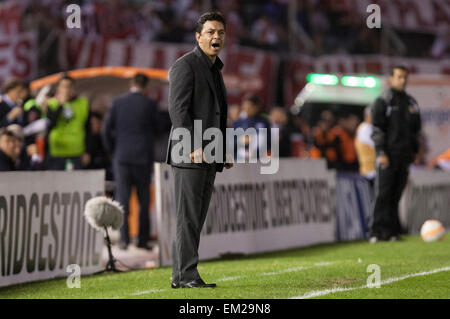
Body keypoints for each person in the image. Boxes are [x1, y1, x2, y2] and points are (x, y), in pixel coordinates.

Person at [165, 11, 233, 289]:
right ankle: (186, 276)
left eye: (220, 32)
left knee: (195, 218)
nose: (216, 37)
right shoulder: (186, 65)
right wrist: (192, 146)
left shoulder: (214, 69)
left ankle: (182, 275)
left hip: (209, 153)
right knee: (188, 218)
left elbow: (216, 114)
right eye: (210, 32)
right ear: (198, 37)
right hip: (189, 154)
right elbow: (178, 111)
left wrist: (222, 149)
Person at [102, 73, 159, 251]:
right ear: (146, 86)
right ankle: (142, 239)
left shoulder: (117, 102)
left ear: (130, 84)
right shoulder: (149, 104)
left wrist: (113, 151)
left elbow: (105, 130)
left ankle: (124, 239)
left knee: (123, 200)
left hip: (122, 158)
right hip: (143, 158)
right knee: (144, 200)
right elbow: (158, 128)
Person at [369, 65, 421, 243]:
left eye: (405, 77)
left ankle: (391, 231)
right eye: (399, 77)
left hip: (403, 156)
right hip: (388, 155)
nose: (402, 80)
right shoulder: (383, 100)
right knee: (383, 193)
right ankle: (376, 231)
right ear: (391, 78)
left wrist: (415, 151)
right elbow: (377, 129)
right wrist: (381, 152)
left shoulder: (411, 103)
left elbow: (415, 131)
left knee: (396, 195)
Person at [46, 75, 90, 170]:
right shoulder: (52, 103)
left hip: (77, 152)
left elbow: (88, 129)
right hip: (57, 152)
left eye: (69, 86)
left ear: (74, 88)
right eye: (63, 86)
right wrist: (61, 104)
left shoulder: (83, 103)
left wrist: (88, 151)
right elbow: (51, 124)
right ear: (58, 88)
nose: (66, 89)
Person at [355, 106, 376, 185]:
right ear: (367, 116)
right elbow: (376, 145)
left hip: (374, 172)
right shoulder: (365, 128)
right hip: (369, 172)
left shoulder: (371, 128)